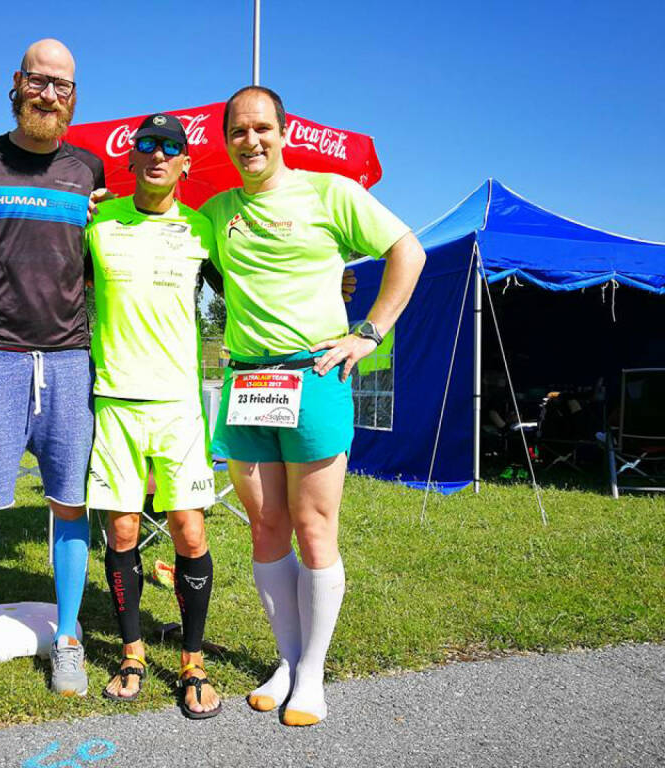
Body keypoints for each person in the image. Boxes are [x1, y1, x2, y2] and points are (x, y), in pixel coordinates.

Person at [199, 86, 426, 726]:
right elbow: (163, 234)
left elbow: (407, 251)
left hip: (314, 374)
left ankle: (313, 674)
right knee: (266, 528)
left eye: (262, 128)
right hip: (248, 383)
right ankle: (287, 660)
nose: (251, 141)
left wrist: (369, 332)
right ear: (226, 140)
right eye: (238, 131)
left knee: (313, 525)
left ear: (283, 132)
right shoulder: (215, 212)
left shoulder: (331, 193)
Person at [0, 38, 106, 708]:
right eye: (39, 80)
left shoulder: (88, 169)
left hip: (69, 360)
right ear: (17, 82)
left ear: (73, 95)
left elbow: (94, 265)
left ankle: (69, 640)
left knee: (70, 504)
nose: (50, 94)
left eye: (63, 85)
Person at [85, 114, 224, 719]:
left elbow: (249, 286)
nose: (159, 154)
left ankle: (192, 662)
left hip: (178, 406)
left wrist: (330, 285)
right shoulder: (98, 222)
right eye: (148, 144)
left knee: (189, 531)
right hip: (114, 401)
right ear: (132, 158)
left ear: (185, 163)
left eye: (171, 147)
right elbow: (49, 275)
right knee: (121, 533)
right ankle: (133, 653)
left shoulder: (202, 229)